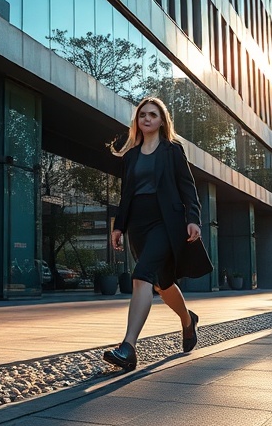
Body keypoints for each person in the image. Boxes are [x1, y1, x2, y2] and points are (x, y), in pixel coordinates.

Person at [103, 96, 213, 370]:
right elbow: (126, 194)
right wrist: (119, 226)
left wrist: (193, 220)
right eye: (143, 115)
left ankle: (128, 347)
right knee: (162, 284)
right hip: (138, 225)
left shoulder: (172, 150)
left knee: (141, 276)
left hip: (166, 222)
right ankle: (188, 320)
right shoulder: (130, 156)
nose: (147, 118)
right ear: (137, 122)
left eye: (153, 114)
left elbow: (188, 188)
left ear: (162, 120)